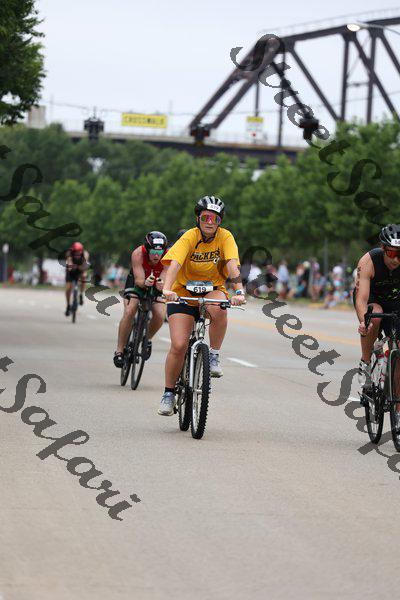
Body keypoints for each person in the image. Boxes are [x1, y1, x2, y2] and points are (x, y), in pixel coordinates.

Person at [158, 195, 245, 416]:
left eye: (215, 219)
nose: (210, 222)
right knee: (179, 345)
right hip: (182, 293)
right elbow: (174, 265)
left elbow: (232, 266)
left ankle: (214, 355)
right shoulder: (189, 236)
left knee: (219, 306)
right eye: (206, 217)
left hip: (211, 289)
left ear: (220, 222)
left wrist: (239, 291)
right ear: (198, 218)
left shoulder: (225, 237)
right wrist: (167, 290)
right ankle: (168, 393)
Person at [354, 225, 400, 419]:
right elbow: (361, 299)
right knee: (375, 316)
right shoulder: (368, 261)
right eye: (392, 253)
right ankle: (366, 363)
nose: (396, 259)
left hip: (395, 301)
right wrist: (364, 321)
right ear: (383, 248)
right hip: (373, 299)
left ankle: (398, 410)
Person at [113, 231, 168, 368]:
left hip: (156, 281)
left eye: (160, 252)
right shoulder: (138, 254)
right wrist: (145, 283)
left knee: (160, 315)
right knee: (129, 311)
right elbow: (139, 281)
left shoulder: (168, 256)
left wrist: (161, 285)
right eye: (153, 252)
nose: (157, 255)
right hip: (137, 281)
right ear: (147, 249)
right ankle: (119, 350)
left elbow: (165, 276)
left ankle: (146, 339)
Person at [65, 242, 90, 316]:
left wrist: (83, 271)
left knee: (84, 276)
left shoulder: (85, 254)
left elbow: (85, 265)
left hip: (80, 269)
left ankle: (81, 294)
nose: (77, 253)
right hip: (71, 271)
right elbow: (69, 266)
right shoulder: (69, 254)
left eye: (79, 252)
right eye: (76, 252)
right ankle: (68, 305)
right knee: (68, 288)